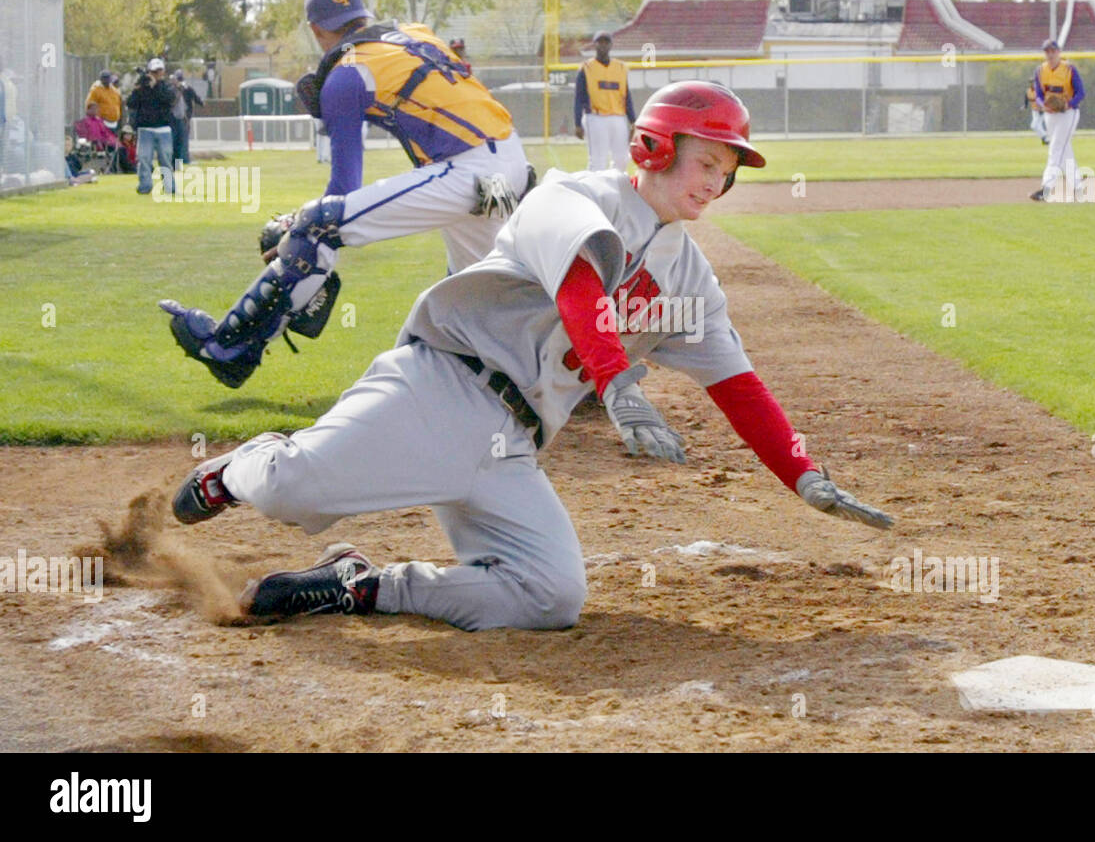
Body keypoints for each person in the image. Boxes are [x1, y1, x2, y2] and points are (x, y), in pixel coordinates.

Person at [167, 81, 894, 628]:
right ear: (654, 148)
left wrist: (801, 473)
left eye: (727, 170)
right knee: (295, 491)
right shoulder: (574, 196)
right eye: (706, 161)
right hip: (442, 382)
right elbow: (581, 286)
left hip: (511, 441)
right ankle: (242, 465)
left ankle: (363, 584)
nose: (716, 183)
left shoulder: (687, 272)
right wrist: (616, 383)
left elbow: (737, 384)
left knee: (550, 594)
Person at [159, 0, 533, 389]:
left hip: (468, 170)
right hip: (508, 159)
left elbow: (344, 188)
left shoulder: (346, 75)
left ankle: (228, 349)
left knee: (317, 226)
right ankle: (534, 370)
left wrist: (291, 229)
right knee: (472, 298)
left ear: (316, 30)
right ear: (363, 15)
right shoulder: (415, 33)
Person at [1029, 40, 1086, 201]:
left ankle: (1046, 189)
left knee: (1055, 149)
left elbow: (1081, 92)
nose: (1050, 54)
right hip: (1050, 115)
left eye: (1053, 51)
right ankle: (1078, 188)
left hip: (1069, 114)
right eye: (1047, 51)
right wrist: (1042, 106)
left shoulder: (1069, 69)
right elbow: (1039, 95)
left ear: (1059, 52)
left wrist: (1069, 104)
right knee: (1064, 150)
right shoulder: (1040, 70)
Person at [573, 30, 636, 171]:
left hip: (618, 117)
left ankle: (615, 189)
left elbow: (627, 96)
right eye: (600, 42)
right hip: (596, 117)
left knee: (621, 159)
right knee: (598, 160)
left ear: (611, 45)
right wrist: (577, 122)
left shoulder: (620, 67)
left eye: (606, 42)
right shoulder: (587, 68)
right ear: (594, 44)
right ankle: (594, 191)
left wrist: (633, 121)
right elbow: (579, 97)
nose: (603, 45)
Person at [125, 57, 176, 195]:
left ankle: (169, 187)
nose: (156, 74)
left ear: (163, 72)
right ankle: (145, 186)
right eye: (153, 71)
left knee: (165, 160)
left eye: (159, 71)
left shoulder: (166, 87)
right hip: (145, 129)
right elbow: (131, 103)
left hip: (163, 129)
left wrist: (156, 86)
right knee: (144, 159)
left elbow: (169, 99)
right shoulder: (143, 88)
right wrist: (137, 89)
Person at [171, 70, 204, 165]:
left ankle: (180, 162)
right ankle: (182, 161)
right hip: (179, 118)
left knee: (180, 141)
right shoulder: (181, 89)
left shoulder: (183, 88)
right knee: (180, 141)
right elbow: (197, 100)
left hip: (182, 117)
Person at [1024, 74, 1047, 144]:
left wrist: (1042, 108)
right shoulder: (1028, 91)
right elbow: (1026, 98)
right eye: (1031, 82)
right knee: (1037, 126)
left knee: (1034, 125)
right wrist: (1025, 106)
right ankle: (1045, 139)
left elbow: (1043, 99)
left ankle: (1045, 137)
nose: (1032, 83)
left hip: (1040, 110)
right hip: (1034, 111)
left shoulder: (1039, 90)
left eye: (1033, 82)